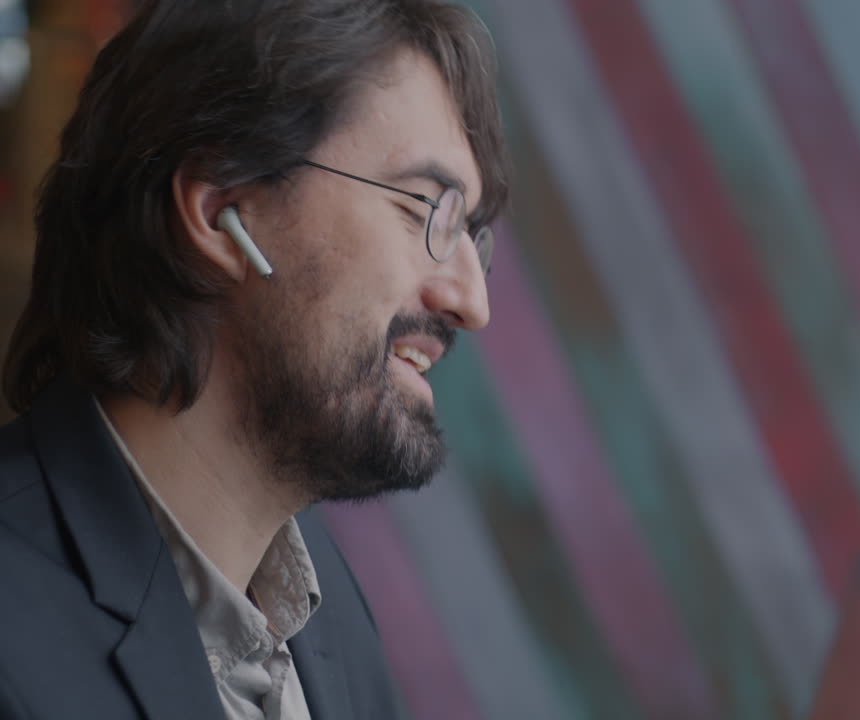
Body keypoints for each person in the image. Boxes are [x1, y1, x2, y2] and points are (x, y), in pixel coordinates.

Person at [0, 0, 509, 716]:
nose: (471, 301)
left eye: (469, 233)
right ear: (220, 215)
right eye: (423, 207)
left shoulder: (325, 618)